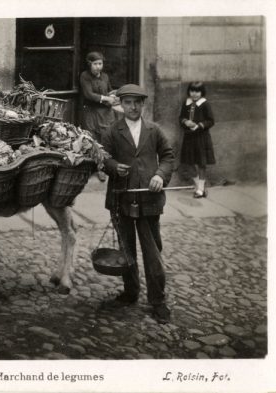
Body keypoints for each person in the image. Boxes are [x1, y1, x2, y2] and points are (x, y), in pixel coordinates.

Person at [101, 84, 175, 324]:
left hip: (148, 199)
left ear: (143, 104)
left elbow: (168, 157)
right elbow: (103, 158)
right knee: (126, 249)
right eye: (128, 102)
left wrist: (159, 176)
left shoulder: (154, 130)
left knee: (152, 252)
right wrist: (113, 166)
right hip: (121, 198)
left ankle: (158, 300)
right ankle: (130, 292)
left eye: (137, 102)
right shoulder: (112, 131)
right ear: (121, 105)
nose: (133, 107)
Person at [79, 51, 117, 182]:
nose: (98, 67)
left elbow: (109, 90)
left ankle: (102, 168)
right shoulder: (85, 76)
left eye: (100, 64)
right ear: (89, 64)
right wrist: (106, 98)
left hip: (105, 113)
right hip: (91, 112)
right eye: (95, 64)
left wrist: (112, 95)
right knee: (92, 139)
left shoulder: (105, 76)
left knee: (105, 139)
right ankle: (91, 167)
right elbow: (89, 94)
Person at [179, 81, 216, 198]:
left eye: (197, 91)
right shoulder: (186, 103)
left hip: (201, 137)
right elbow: (181, 117)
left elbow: (211, 121)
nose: (194, 94)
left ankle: (200, 188)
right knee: (189, 162)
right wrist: (185, 121)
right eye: (192, 91)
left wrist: (199, 125)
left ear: (202, 92)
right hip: (189, 137)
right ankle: (199, 186)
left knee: (201, 163)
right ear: (189, 91)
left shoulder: (205, 104)